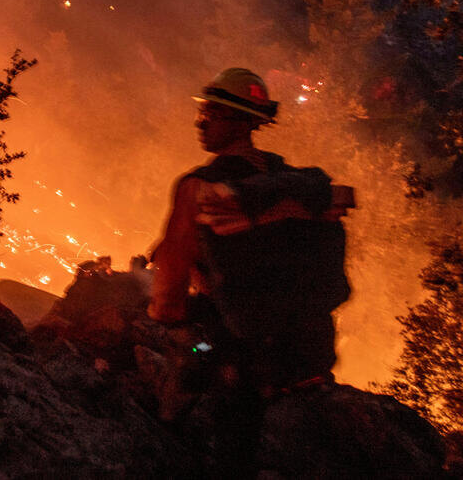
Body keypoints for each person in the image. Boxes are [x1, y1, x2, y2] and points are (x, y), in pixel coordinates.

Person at [147, 68, 354, 473]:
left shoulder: (199, 186)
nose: (200, 121)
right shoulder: (286, 181)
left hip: (238, 356)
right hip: (304, 350)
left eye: (211, 113)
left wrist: (173, 324)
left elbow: (168, 290)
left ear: (240, 121)